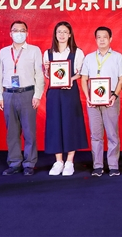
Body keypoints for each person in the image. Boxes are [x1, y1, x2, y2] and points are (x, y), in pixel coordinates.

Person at [0, 20, 44, 176]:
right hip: (8, 94)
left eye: (22, 30)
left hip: (27, 93)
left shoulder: (34, 50)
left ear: (27, 33)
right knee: (12, 132)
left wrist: (37, 95)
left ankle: (29, 163)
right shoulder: (3, 52)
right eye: (15, 30)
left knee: (29, 131)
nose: (19, 33)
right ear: (10, 33)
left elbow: (39, 75)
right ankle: (14, 162)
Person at [43, 21, 88, 176]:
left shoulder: (78, 52)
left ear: (70, 35)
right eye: (59, 32)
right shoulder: (48, 53)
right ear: (55, 35)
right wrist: (47, 70)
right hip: (54, 93)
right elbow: (48, 75)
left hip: (70, 92)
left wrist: (69, 80)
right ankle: (58, 161)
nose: (61, 35)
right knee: (54, 124)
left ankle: (69, 161)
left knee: (70, 124)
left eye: (65, 32)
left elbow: (81, 73)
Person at [80, 27, 122, 177]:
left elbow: (121, 80)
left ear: (110, 39)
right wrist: (87, 97)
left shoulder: (118, 57)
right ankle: (97, 166)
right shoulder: (89, 58)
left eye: (105, 37)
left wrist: (115, 95)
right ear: (95, 39)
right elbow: (84, 79)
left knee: (112, 134)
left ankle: (113, 166)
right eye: (99, 37)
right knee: (96, 135)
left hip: (110, 99)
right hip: (92, 101)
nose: (102, 40)